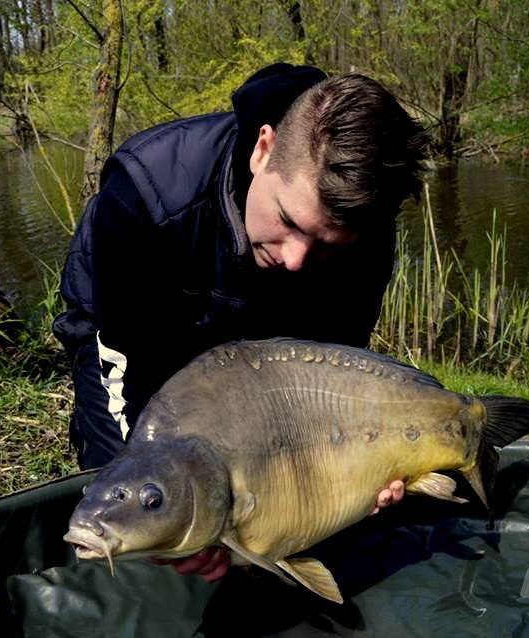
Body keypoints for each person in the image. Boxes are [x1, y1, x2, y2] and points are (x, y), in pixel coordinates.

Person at [53, 63, 430, 582]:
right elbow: (131, 371)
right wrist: (176, 512)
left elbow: (325, 382)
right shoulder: (146, 191)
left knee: (297, 521)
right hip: (136, 325)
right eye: (290, 221)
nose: (297, 258)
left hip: (273, 337)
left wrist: (349, 479)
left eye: (324, 243)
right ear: (262, 149)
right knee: (140, 510)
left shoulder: (365, 230)